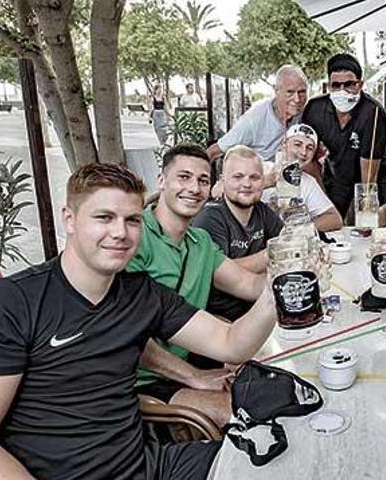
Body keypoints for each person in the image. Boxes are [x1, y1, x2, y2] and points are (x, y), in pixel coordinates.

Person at [0, 162, 278, 479]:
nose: (120, 232)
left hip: (146, 465)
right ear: (69, 219)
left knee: (278, 461)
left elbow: (230, 342)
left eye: (132, 220)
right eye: (104, 217)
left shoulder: (141, 294)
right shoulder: (8, 304)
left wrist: (278, 289)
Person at [126, 144, 268, 428]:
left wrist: (295, 270)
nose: (194, 187)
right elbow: (130, 335)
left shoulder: (200, 241)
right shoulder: (133, 237)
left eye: (203, 180)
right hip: (140, 380)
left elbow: (249, 284)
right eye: (184, 177)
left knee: (270, 390)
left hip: (191, 364)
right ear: (162, 180)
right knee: (247, 417)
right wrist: (192, 376)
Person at [194, 146, 285, 321]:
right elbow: (219, 274)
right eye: (238, 177)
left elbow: (287, 240)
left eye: (254, 177)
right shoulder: (210, 217)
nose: (247, 184)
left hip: (261, 305)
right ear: (222, 181)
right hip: (223, 319)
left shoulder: (261, 210)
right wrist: (270, 254)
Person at [302, 53, 386, 217]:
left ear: (360, 84)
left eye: (350, 84)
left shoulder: (373, 114)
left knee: (366, 222)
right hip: (336, 176)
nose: (342, 91)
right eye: (336, 85)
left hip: (371, 178)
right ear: (328, 86)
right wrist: (322, 198)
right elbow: (308, 159)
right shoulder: (315, 110)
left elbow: (368, 180)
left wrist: (362, 208)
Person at [212, 65, 309, 161]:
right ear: (276, 91)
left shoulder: (305, 113)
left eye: (302, 92)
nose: (297, 99)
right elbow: (213, 151)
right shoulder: (253, 120)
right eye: (290, 92)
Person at [261, 125, 344, 232]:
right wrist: (266, 181)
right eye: (297, 144)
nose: (303, 152)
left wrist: (298, 229)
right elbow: (233, 193)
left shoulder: (307, 181)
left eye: (309, 148)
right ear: (284, 145)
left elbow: (335, 219)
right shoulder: (260, 169)